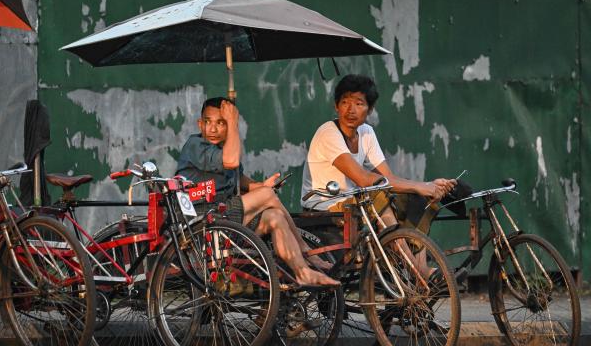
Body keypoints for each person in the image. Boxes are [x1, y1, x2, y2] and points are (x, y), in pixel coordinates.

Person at [301, 74, 456, 278]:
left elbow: (387, 177)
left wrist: (426, 186)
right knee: (379, 196)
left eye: (359, 103)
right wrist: (420, 184)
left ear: (370, 109)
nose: (351, 110)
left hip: (355, 203)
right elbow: (364, 179)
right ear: (336, 106)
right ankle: (416, 271)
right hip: (324, 206)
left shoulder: (366, 133)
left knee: (418, 199)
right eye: (345, 102)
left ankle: (416, 264)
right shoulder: (328, 133)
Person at [176, 97, 339, 287]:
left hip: (223, 218)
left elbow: (239, 178)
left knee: (275, 216)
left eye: (220, 123)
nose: (213, 129)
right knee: (268, 197)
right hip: (200, 219)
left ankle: (302, 272)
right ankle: (304, 248)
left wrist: (262, 186)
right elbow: (231, 162)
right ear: (199, 123)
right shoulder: (195, 144)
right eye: (207, 122)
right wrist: (233, 124)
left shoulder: (226, 147)